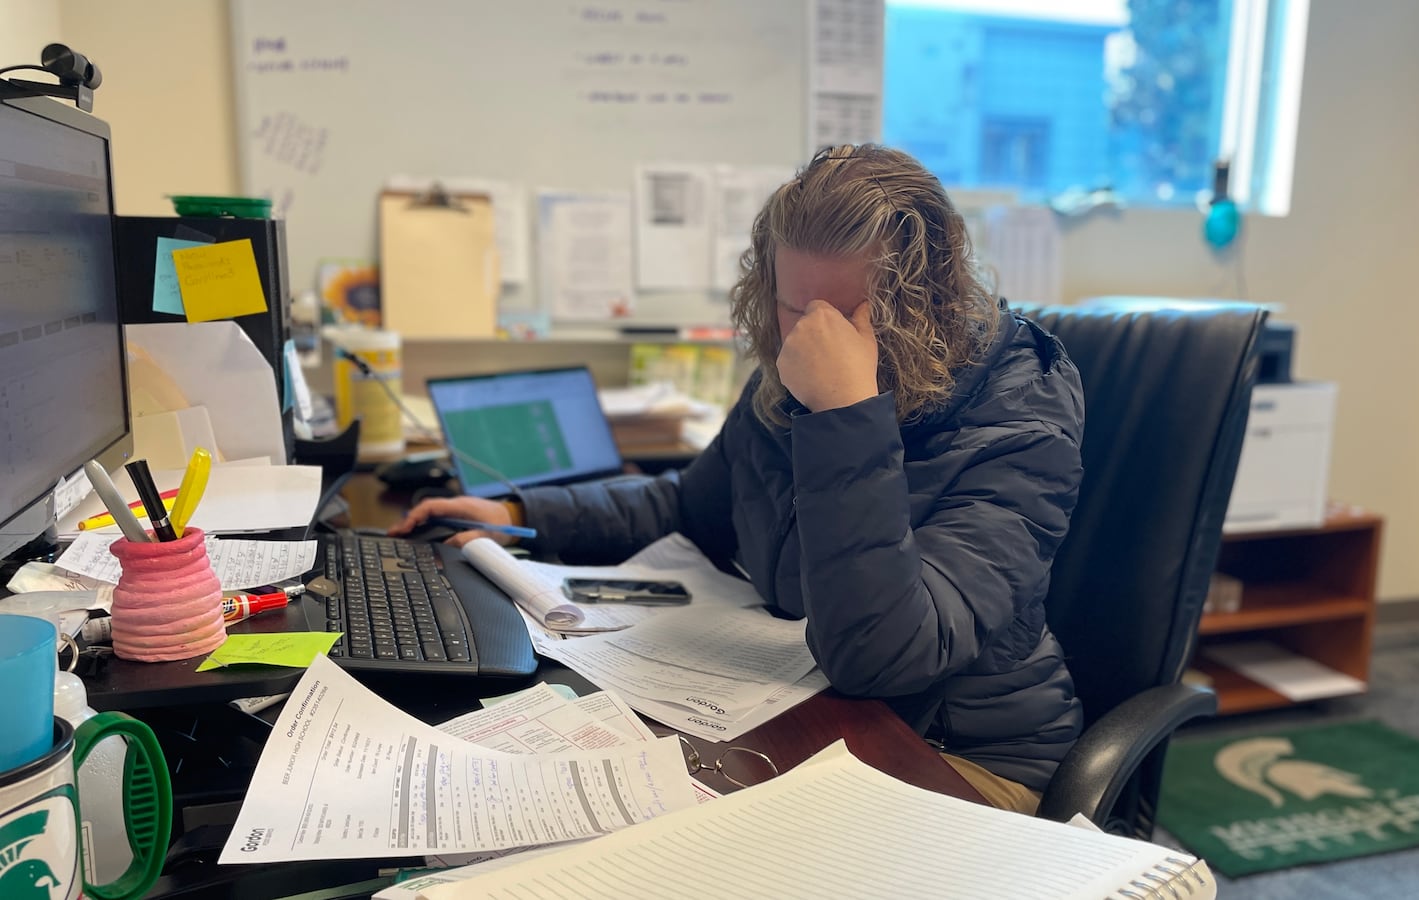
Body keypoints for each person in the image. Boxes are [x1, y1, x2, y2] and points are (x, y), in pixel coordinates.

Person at [393, 144, 1085, 813]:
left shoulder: (1019, 425)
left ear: (927, 301)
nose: (811, 337)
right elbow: (689, 506)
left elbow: (882, 658)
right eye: (793, 307)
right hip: (814, 715)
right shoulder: (793, 381)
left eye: (845, 315)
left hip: (957, 757)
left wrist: (845, 416)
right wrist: (517, 508)